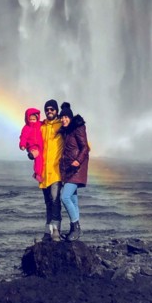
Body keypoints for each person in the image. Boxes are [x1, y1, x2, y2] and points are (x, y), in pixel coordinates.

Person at [58, 101, 89, 241]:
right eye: (62, 117)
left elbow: (85, 148)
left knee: (65, 197)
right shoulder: (67, 131)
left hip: (76, 168)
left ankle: (75, 226)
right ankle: (75, 230)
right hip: (69, 169)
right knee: (73, 200)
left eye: (66, 117)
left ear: (70, 118)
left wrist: (78, 161)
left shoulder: (78, 128)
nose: (63, 119)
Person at [39, 98, 63, 242]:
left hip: (56, 172)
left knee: (55, 201)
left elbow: (76, 139)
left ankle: (56, 231)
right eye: (47, 109)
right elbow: (34, 142)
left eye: (52, 109)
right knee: (48, 202)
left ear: (56, 111)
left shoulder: (62, 125)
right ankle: (47, 231)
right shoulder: (42, 127)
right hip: (43, 172)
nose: (49, 111)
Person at [18, 108, 44, 183]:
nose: (32, 121)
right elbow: (23, 137)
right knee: (38, 158)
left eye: (34, 119)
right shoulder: (26, 128)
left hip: (40, 146)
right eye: (31, 119)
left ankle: (40, 173)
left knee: (41, 159)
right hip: (32, 146)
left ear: (37, 118)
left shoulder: (40, 124)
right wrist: (22, 145)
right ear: (27, 119)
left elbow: (46, 123)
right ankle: (37, 174)